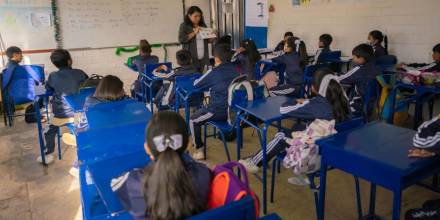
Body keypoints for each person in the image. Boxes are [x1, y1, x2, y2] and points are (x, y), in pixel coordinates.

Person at [240, 68, 351, 178]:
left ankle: (254, 162)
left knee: (281, 135)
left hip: (314, 152)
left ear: (316, 88)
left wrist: (296, 101)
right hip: (333, 148)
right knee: (296, 127)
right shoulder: (343, 102)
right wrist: (309, 101)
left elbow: (284, 109)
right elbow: (320, 107)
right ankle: (266, 155)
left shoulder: (316, 105)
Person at [112, 111, 212, 220]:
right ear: (188, 146)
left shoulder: (131, 182)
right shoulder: (203, 173)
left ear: (147, 148)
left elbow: (114, 184)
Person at [38, 49, 88, 164]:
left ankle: (48, 153)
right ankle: (80, 144)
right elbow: (87, 86)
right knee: (82, 128)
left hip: (60, 115)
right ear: (70, 61)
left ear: (54, 64)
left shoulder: (52, 76)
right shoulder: (80, 73)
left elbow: (47, 90)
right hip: (79, 113)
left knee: (48, 130)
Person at [189, 44, 238, 160]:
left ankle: (199, 149)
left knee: (192, 120)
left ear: (216, 59)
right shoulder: (236, 69)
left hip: (218, 111)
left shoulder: (214, 72)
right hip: (233, 112)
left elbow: (196, 84)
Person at [338, 43, 381, 116]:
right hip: (374, 105)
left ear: (361, 58)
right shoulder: (377, 68)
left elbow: (341, 79)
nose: (353, 59)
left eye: (354, 57)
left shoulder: (359, 70)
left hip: (358, 105)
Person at [179, 6, 215, 72]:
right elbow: (182, 39)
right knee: (194, 77)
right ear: (189, 15)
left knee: (204, 76)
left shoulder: (203, 25)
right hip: (191, 59)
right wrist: (194, 32)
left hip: (204, 59)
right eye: (195, 16)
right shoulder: (184, 26)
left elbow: (208, 41)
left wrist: (213, 36)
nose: (198, 18)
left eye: (199, 16)